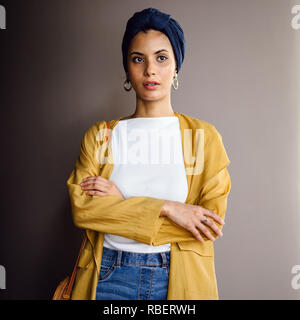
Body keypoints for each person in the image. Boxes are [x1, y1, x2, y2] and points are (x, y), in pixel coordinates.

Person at [66, 7, 231, 300]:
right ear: (128, 68)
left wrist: (121, 204)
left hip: (181, 279)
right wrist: (169, 208)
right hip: (107, 277)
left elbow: (207, 225)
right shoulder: (101, 136)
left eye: (161, 58)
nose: (150, 70)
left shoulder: (202, 138)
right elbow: (84, 210)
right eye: (138, 59)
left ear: (176, 66)